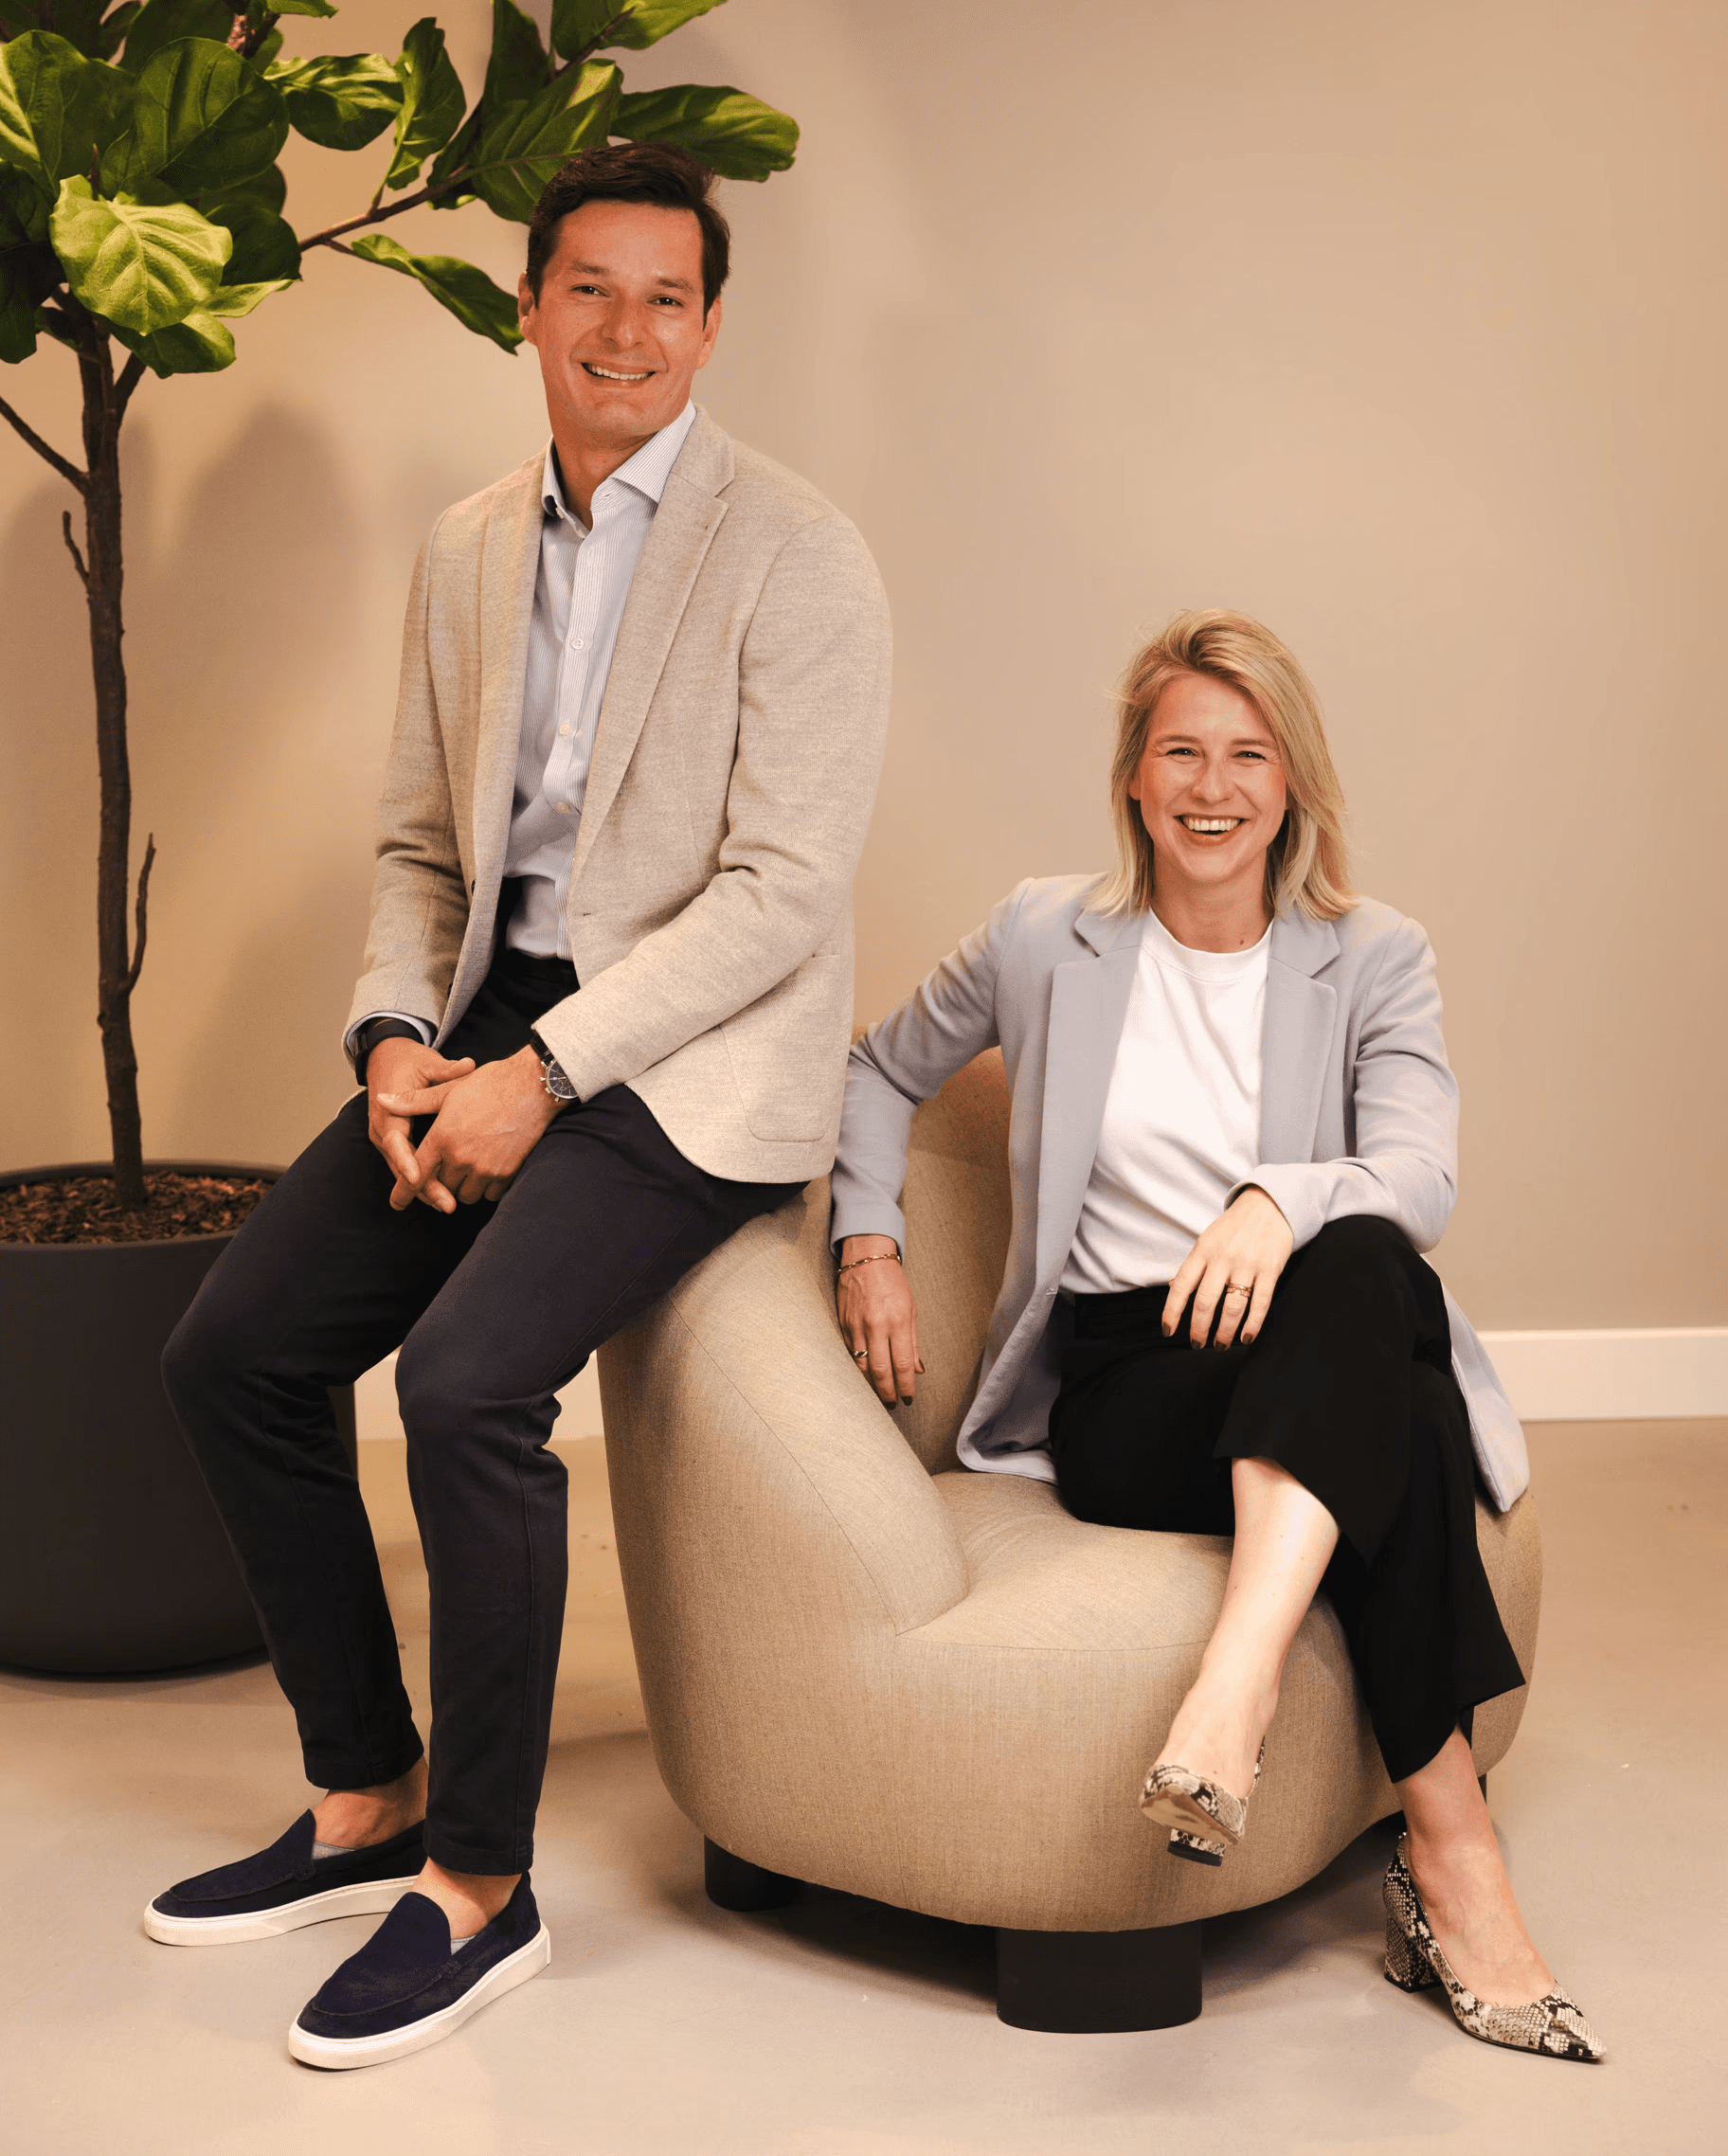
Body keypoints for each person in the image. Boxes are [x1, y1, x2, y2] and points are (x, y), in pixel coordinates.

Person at [153, 142, 891, 2071]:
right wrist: (399, 1038)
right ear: (532, 308)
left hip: (690, 1068)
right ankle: (362, 1795)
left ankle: (480, 1886)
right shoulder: (474, 544)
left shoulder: (801, 552)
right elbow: (415, 842)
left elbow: (781, 896)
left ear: (711, 326)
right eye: (591, 289)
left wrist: (548, 1076)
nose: (626, 330)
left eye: (667, 297)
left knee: (472, 1388)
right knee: (233, 1351)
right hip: (487, 1024)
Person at [829, 610, 1602, 2063]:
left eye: (1249, 754)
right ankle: (1458, 1866)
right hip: (1131, 1391)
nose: (1213, 784)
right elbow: (877, 1071)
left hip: (1311, 1335)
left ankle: (1229, 1700)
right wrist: (867, 1237)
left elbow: (1420, 1178)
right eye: (1180, 749)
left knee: (1367, 1263)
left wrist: (1276, 1197)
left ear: (1292, 783)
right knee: (1405, 1418)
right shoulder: (1043, 934)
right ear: (1132, 777)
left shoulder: (1373, 956)